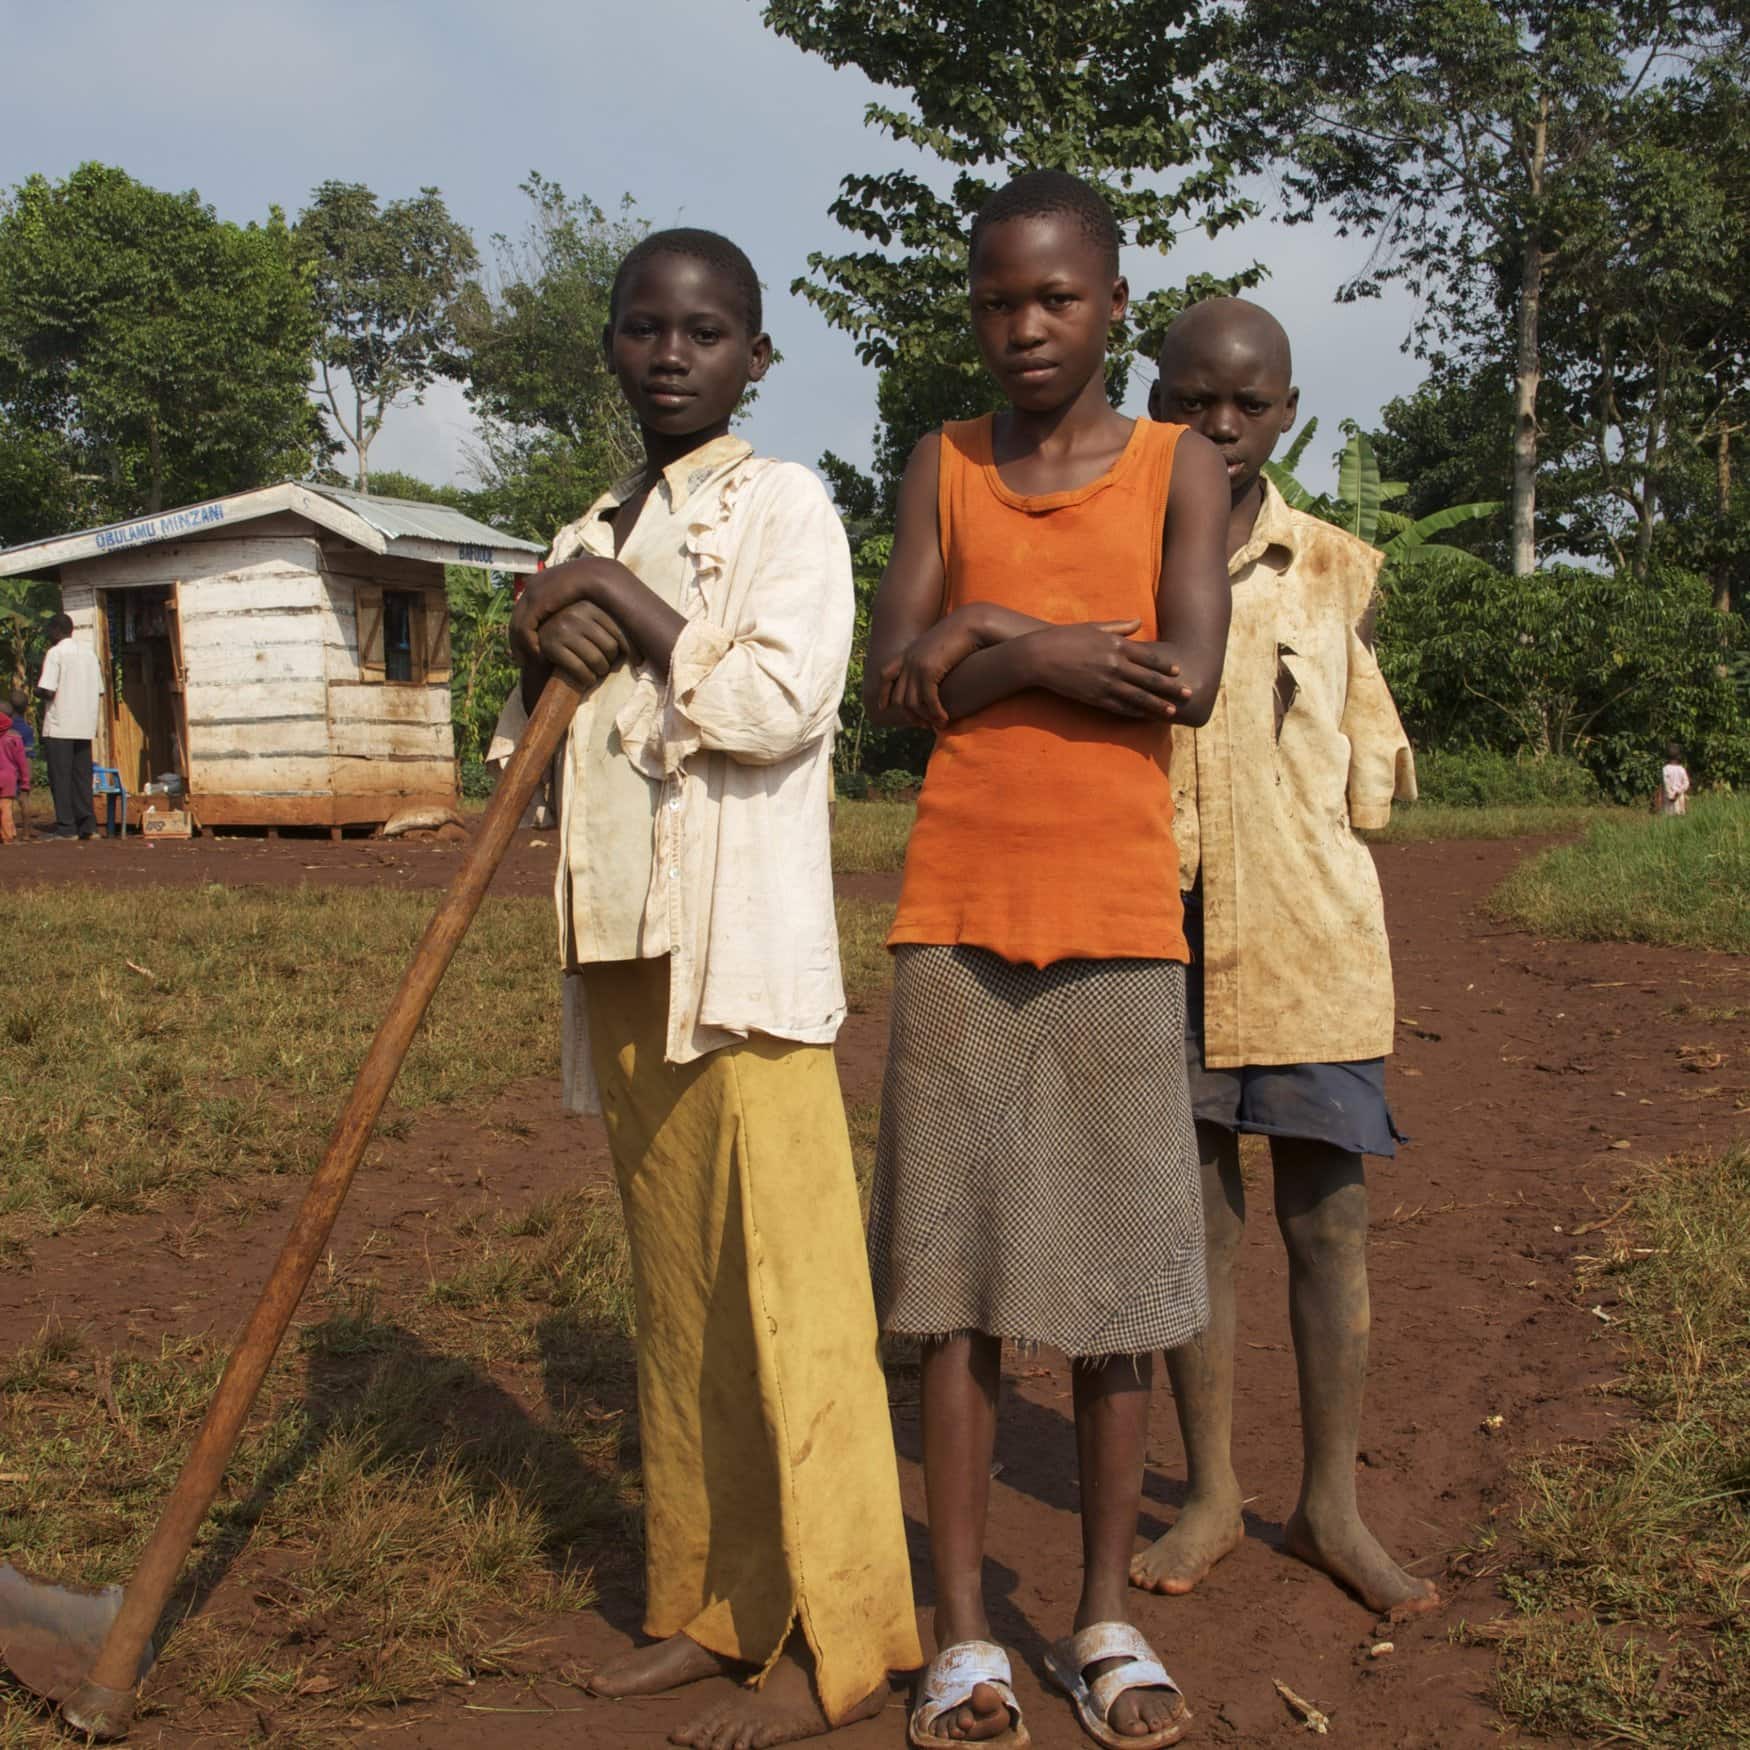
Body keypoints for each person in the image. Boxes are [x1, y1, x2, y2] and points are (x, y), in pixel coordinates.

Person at [505, 227, 921, 1750]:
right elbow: (540, 732)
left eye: (704, 331)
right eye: (641, 328)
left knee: (792, 1301)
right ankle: (710, 1603)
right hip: (622, 955)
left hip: (736, 957)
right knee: (678, 1311)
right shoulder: (586, 522)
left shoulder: (786, 505)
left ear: (756, 356)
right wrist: (533, 617)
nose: (669, 353)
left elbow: (771, 701)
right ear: (610, 347)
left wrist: (620, 594)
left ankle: (842, 1639)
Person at [865, 170, 1231, 1749]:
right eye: (997, 302)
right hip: (953, 911)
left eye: (1054, 300)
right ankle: (961, 1630)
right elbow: (891, 690)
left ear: (1110, 307)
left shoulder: (1177, 467)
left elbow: (1187, 678)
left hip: (1116, 926)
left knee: (1113, 1292)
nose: (1023, 328)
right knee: (948, 1291)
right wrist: (1029, 635)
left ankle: (1099, 1612)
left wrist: (985, 650)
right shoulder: (936, 464)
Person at [1127, 298, 1435, 1622]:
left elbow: (1362, 778)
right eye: (1192, 398)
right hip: (1164, 932)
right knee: (1194, 1224)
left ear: (1286, 410)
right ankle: (1204, 1487)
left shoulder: (1332, 568)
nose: (1219, 425)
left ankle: (1326, 1501)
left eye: (1246, 403)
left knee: (1328, 1219)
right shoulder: (1115, 554)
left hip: (1311, 938)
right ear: (1155, 401)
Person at [35, 614, 102, 841]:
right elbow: (99, 690)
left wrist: (36, 691)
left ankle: (66, 828)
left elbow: (48, 690)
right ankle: (88, 826)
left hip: (60, 725)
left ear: (56, 630)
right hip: (84, 725)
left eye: (49, 631)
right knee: (82, 778)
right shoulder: (89, 654)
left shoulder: (56, 653)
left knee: (60, 778)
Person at [0, 706, 29, 844]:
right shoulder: (14, 738)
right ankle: (8, 837)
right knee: (6, 808)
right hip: (8, 778)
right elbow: (22, 763)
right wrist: (25, 781)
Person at [1658, 743, 1691, 816]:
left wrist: (1671, 795)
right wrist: (1678, 792)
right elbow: (1686, 783)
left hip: (1668, 799)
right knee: (1680, 815)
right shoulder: (1681, 769)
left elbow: (1666, 784)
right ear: (1679, 756)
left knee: (1669, 816)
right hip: (1679, 797)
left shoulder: (1665, 769)